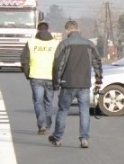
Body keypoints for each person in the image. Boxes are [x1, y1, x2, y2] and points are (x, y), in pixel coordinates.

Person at [49, 20, 102, 148]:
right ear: (78, 29)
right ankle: (84, 139)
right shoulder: (89, 44)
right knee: (84, 111)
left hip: (67, 83)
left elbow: (58, 65)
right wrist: (98, 79)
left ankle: (57, 138)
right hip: (84, 84)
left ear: (67, 30)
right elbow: (97, 62)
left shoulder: (64, 44)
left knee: (62, 111)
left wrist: (56, 82)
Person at [20, 21, 60, 134]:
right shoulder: (55, 43)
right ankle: (47, 124)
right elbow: (59, 61)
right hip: (51, 77)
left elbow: (24, 60)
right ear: (48, 30)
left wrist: (28, 74)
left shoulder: (31, 43)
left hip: (35, 76)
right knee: (48, 101)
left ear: (38, 30)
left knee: (38, 101)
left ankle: (41, 124)